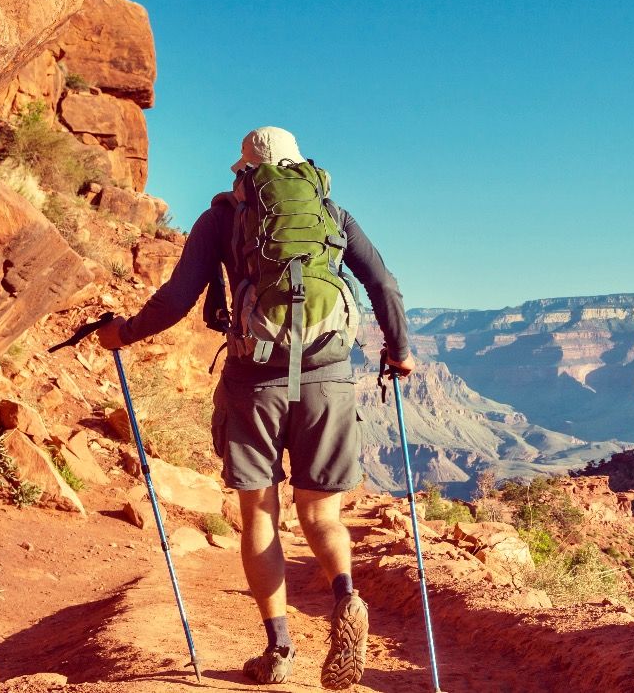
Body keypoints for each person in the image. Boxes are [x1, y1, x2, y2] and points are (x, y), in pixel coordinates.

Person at [96, 126, 414, 688]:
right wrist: (401, 351)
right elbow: (384, 285)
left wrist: (125, 333)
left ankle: (280, 650)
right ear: (299, 168)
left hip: (253, 382)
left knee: (260, 515)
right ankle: (346, 596)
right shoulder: (332, 216)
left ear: (243, 170)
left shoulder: (221, 219)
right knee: (322, 515)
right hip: (327, 379)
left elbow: (176, 299)